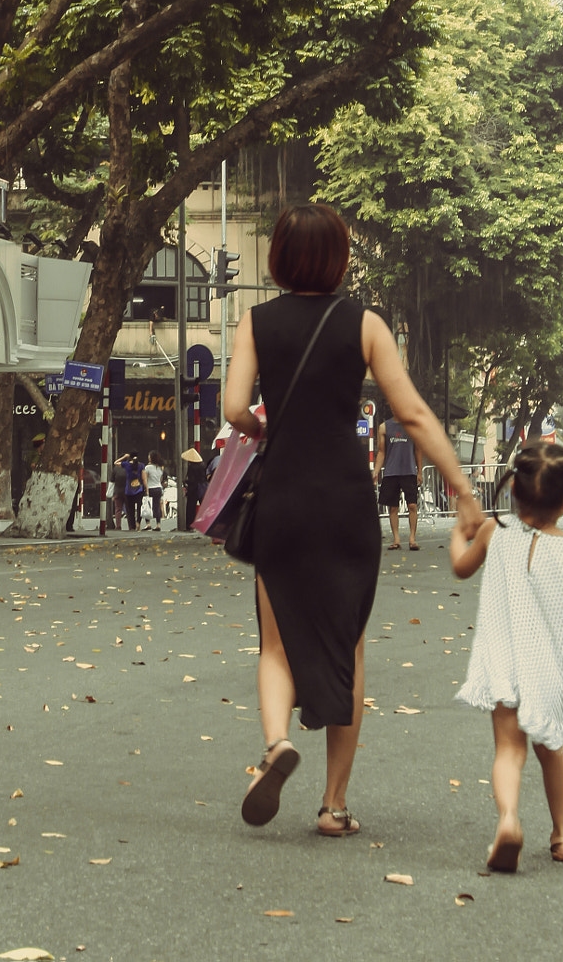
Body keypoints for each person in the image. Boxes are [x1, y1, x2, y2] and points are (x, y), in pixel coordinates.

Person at [222, 202, 483, 837]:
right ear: (340, 258)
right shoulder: (365, 324)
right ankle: (334, 806)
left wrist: (262, 425)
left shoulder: (255, 321)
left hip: (282, 494)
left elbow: (233, 408)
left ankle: (278, 741)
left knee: (276, 639)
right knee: (350, 646)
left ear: (280, 258)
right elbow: (414, 414)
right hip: (345, 499)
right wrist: (462, 489)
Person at [451, 439, 563, 870]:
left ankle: (508, 820)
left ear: (513, 490)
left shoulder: (494, 531)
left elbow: (461, 567)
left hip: (503, 662)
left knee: (508, 750)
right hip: (548, 669)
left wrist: (459, 533)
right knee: (551, 749)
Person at [374, 413, 425, 552]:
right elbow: (381, 452)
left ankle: (412, 539)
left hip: (409, 471)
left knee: (412, 505)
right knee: (393, 508)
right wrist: (376, 471)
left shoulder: (412, 426)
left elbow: (418, 449)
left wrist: (419, 471)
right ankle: (396, 540)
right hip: (391, 472)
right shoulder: (384, 427)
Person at [143, 457, 164, 528]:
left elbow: (145, 479)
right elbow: (161, 479)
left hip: (150, 488)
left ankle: (148, 523)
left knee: (147, 505)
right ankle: (158, 524)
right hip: (158, 488)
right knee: (157, 507)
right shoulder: (160, 468)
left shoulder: (147, 467)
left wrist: (146, 489)